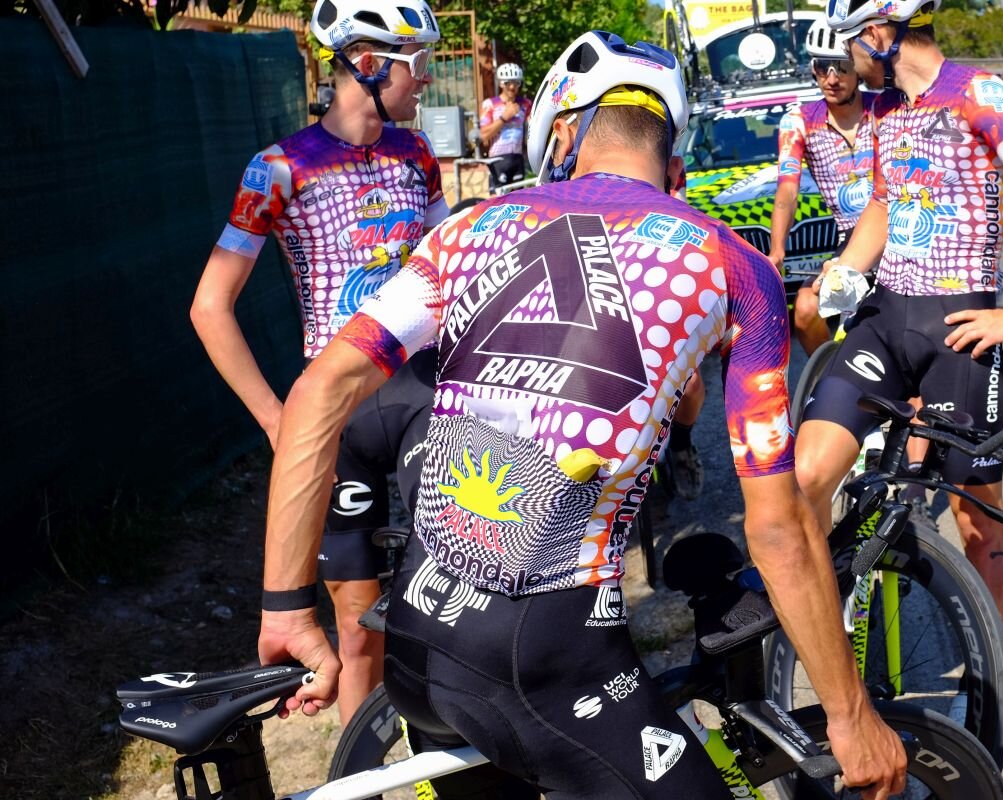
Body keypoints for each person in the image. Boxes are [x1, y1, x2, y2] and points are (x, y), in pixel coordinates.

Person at [256, 29, 907, 800]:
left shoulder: (467, 228)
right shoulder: (733, 265)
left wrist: (286, 607)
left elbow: (319, 391)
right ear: (673, 162)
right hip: (547, 659)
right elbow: (776, 525)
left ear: (566, 143)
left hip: (415, 641)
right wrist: (850, 714)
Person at [190, 0, 449, 727]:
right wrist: (280, 423)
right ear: (367, 65)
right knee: (359, 635)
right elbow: (209, 307)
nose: (427, 78)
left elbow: (448, 273)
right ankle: (361, 771)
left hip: (423, 395)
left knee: (446, 611)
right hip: (338, 413)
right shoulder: (277, 168)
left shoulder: (417, 155)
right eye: (418, 62)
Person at [796, 0, 1003, 621]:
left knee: (977, 524)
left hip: (958, 333)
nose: (847, 61)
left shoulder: (978, 93)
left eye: (850, 45)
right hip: (883, 321)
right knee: (808, 476)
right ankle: (821, 632)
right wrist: (845, 269)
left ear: (878, 34)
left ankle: (986, 672)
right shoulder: (886, 108)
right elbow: (883, 202)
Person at [769, 17, 877, 356]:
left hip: (895, 230)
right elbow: (788, 189)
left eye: (841, 67)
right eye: (822, 68)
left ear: (858, 68)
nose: (831, 79)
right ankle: (831, 374)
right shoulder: (799, 121)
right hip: (849, 240)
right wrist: (777, 250)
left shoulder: (884, 109)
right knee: (804, 309)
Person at [478, 62, 533, 189]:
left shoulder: (525, 104)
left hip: (518, 158)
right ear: (501, 84)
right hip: (498, 160)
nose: (512, 87)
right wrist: (504, 117)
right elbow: (483, 135)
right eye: (508, 83)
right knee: (497, 199)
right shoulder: (490, 104)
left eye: (516, 83)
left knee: (518, 199)